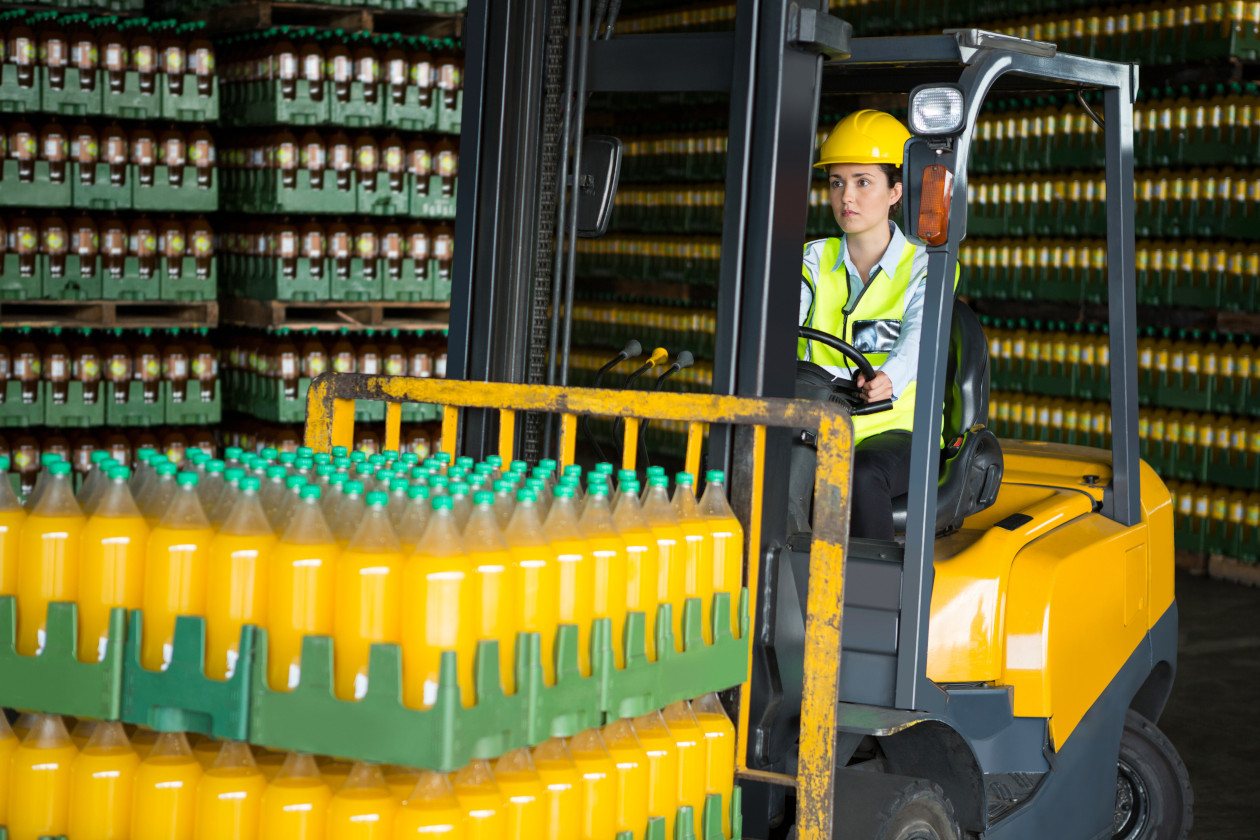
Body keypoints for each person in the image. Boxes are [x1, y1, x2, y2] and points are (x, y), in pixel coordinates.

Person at [798, 109, 956, 541]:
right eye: (837, 183)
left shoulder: (927, 266)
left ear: (895, 192)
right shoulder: (813, 261)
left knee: (862, 473)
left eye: (863, 182)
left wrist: (890, 377)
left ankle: (875, 595)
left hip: (897, 426)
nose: (846, 196)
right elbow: (786, 321)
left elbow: (920, 336)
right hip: (819, 420)